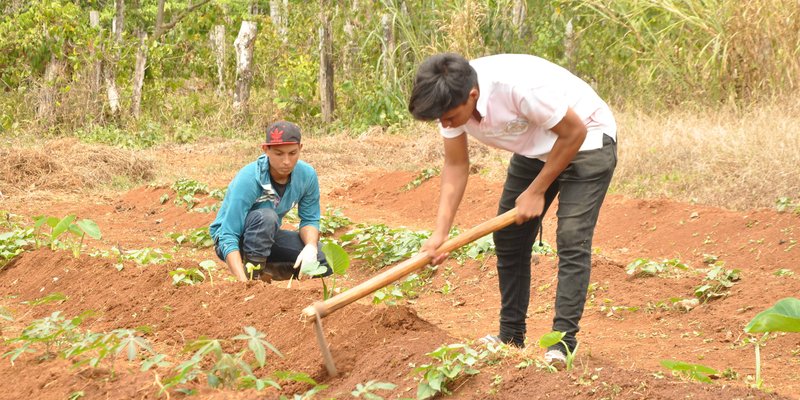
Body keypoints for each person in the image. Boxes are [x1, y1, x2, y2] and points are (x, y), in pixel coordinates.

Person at [408, 53, 617, 367]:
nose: (446, 124)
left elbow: (574, 132)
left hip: (587, 138)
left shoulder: (518, 87)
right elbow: (456, 164)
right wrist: (440, 233)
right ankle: (511, 336)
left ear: (473, 96)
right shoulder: (449, 99)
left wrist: (536, 190)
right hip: (537, 147)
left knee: (572, 238)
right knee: (509, 238)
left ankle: (561, 344)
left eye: (449, 117)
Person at [210, 121, 331, 283]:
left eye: (293, 153)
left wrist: (310, 247)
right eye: (279, 154)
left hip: (265, 236)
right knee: (266, 217)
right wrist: (242, 284)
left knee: (325, 259)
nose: (287, 161)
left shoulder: (306, 175)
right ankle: (252, 278)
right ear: (266, 150)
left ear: (300, 148)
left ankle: (266, 271)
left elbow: (309, 219)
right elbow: (228, 234)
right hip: (234, 239)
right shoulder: (249, 179)